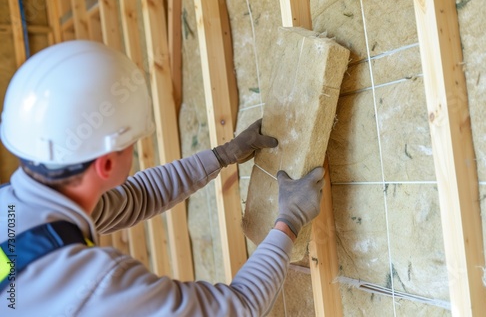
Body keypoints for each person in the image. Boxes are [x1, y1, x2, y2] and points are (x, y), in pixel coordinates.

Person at [0, 40, 324, 316]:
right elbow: (237, 307)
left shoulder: (22, 210)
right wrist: (289, 221)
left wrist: (225, 154)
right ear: (106, 164)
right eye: (131, 143)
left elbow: (138, 197)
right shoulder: (94, 285)